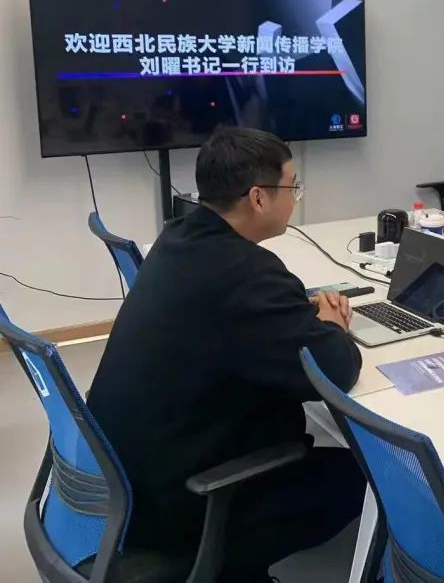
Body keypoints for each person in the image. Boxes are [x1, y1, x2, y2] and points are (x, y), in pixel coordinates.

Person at [87, 128, 366, 581]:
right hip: (185, 507)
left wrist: (293, 314)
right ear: (258, 198)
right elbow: (335, 369)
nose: (295, 197)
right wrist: (333, 325)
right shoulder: (247, 276)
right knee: (363, 476)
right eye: (292, 186)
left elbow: (239, 321)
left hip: (130, 480)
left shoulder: (178, 238)